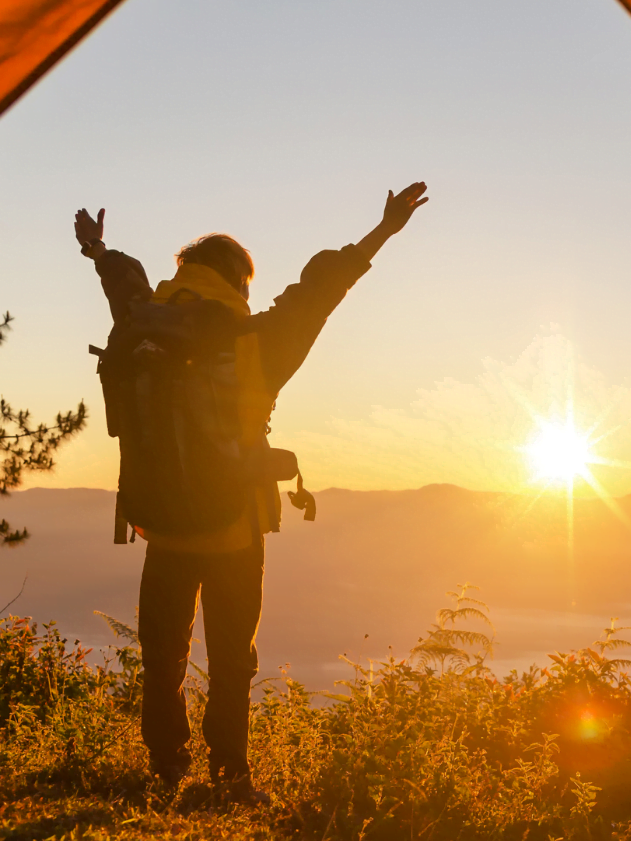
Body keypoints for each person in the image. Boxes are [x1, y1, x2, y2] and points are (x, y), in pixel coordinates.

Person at [74, 182, 429, 796]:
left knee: (162, 655)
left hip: (158, 520)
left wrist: (97, 250)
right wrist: (383, 231)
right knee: (232, 659)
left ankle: (164, 769)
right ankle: (230, 776)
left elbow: (124, 281)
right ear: (239, 282)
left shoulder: (142, 323)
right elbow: (322, 290)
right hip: (233, 527)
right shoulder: (259, 340)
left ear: (185, 274)